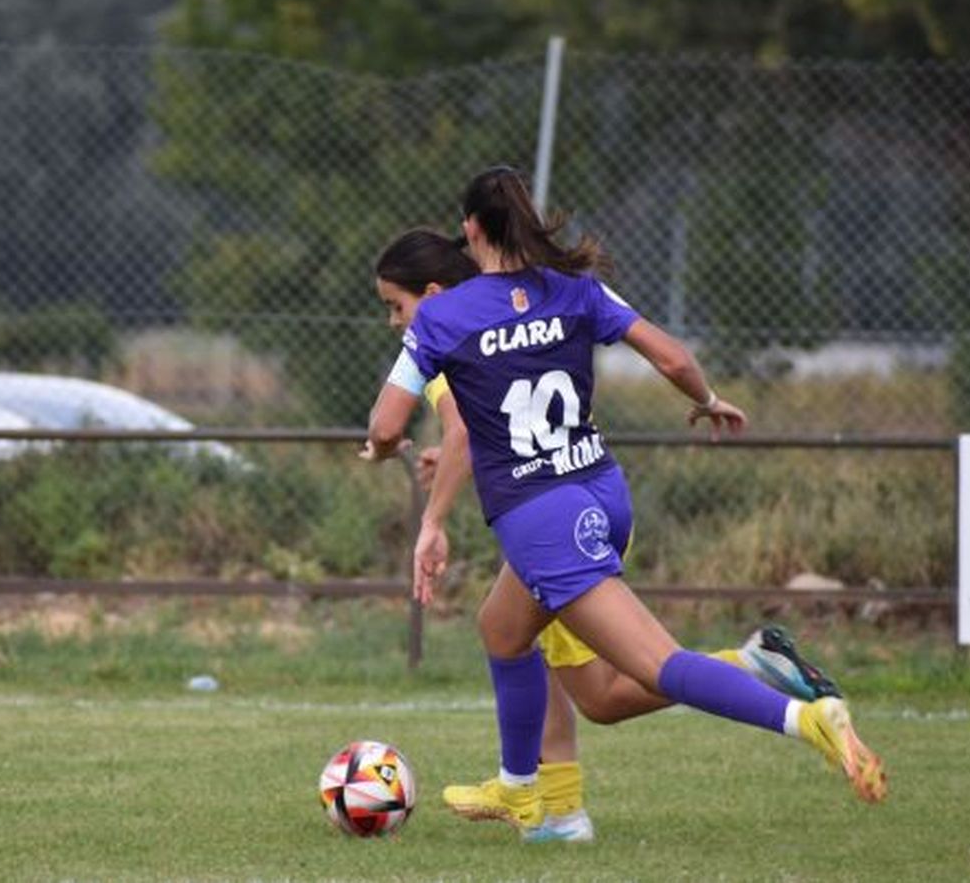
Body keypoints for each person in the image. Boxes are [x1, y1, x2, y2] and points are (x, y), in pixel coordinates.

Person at [365, 167, 886, 841]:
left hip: (542, 517)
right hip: (603, 491)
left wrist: (384, 451)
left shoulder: (441, 315)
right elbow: (670, 358)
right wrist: (705, 400)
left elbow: (383, 425)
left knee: (654, 667)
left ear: (470, 231)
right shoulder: (578, 288)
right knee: (502, 628)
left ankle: (807, 720)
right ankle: (521, 788)